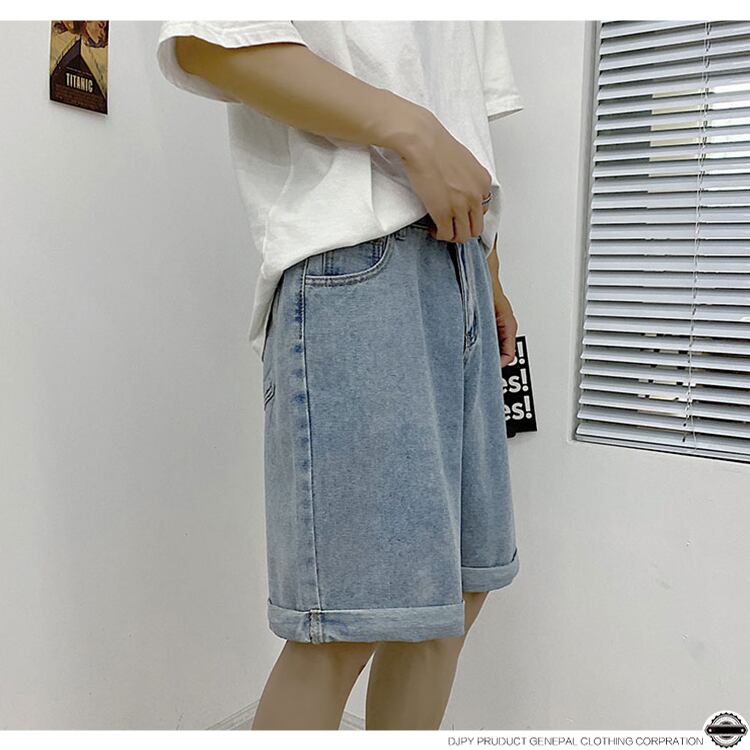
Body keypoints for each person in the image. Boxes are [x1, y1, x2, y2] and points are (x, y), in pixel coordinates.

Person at [156, 20, 523, 730]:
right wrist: (411, 132)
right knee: (347, 621)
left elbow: (461, 114)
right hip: (356, 258)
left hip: (463, 266)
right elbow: (209, 40)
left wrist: (491, 266)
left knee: (455, 592)